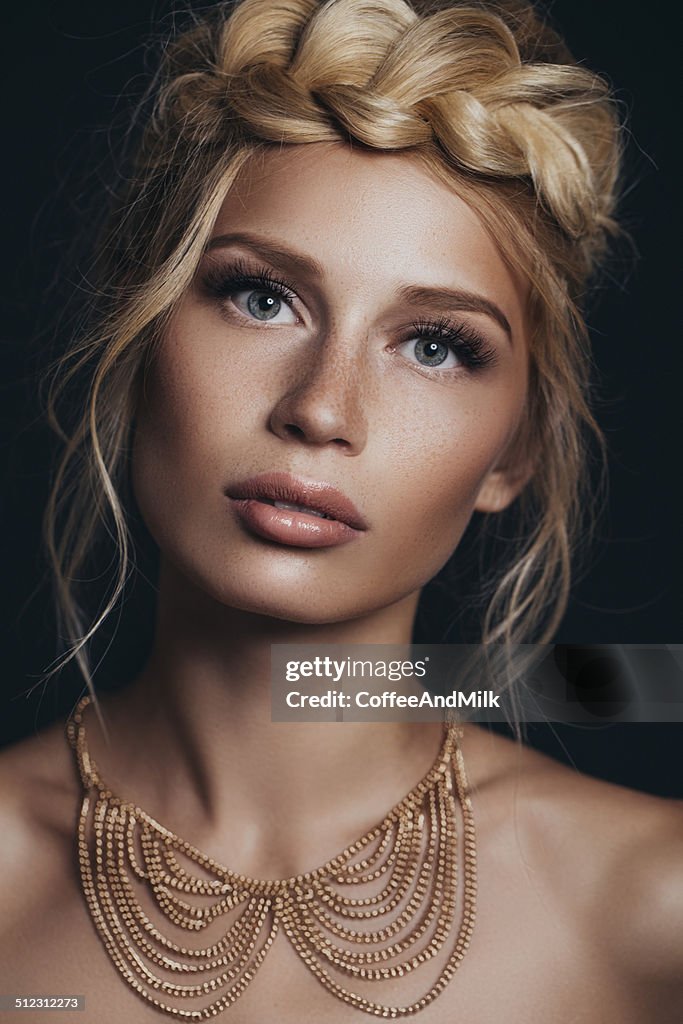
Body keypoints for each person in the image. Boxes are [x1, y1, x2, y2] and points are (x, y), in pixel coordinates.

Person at [0, 0, 681, 1021]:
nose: (320, 408)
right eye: (261, 296)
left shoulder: (649, 901)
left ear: (512, 454)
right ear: (140, 341)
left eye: (435, 345)